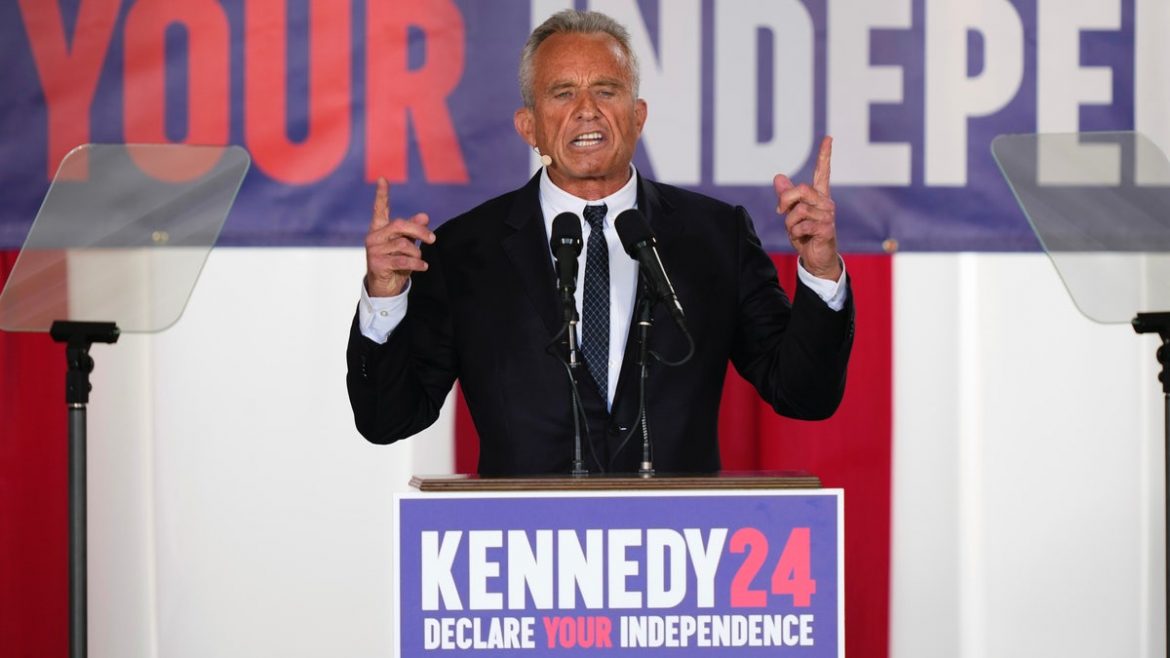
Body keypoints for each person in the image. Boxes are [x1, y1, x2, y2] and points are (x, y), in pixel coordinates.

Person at [346, 9, 853, 475]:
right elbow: (388, 420)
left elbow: (805, 395)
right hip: (524, 539)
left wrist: (821, 271)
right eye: (563, 93)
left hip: (676, 537)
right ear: (529, 127)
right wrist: (384, 300)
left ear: (638, 115)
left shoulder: (716, 236)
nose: (587, 110)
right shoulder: (465, 251)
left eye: (607, 91)